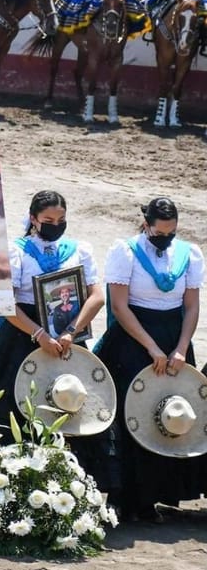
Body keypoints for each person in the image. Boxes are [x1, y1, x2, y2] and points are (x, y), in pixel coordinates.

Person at [0, 190, 104, 443]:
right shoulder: (17, 251)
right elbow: (4, 303)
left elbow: (97, 297)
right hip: (20, 335)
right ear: (33, 219)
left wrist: (72, 331)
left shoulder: (79, 250)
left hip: (66, 336)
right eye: (49, 221)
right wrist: (39, 334)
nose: (56, 226)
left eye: (61, 221)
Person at [93, 196, 204, 521]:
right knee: (132, 417)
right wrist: (152, 348)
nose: (165, 238)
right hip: (133, 337)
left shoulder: (189, 254)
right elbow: (119, 306)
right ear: (146, 225)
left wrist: (181, 348)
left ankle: (158, 495)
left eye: (171, 233)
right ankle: (126, 499)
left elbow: (192, 305)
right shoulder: (124, 252)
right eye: (159, 233)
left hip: (174, 336)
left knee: (171, 412)